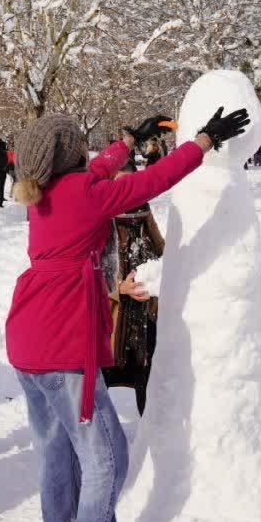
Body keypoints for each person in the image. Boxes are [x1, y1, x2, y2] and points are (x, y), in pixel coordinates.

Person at [5, 107, 249, 522]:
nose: (88, 149)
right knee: (107, 457)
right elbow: (155, 180)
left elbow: (96, 171)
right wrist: (202, 141)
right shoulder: (85, 194)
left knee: (56, 449)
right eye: (80, 142)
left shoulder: (43, 189)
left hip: (28, 337)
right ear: (70, 152)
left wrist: (128, 142)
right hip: (62, 342)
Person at [100, 155, 166, 415]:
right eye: (119, 183)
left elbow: (162, 253)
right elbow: (90, 270)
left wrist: (157, 277)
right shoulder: (101, 217)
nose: (125, 190)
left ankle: (151, 433)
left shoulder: (143, 213)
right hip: (111, 316)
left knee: (146, 379)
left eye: (130, 183)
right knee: (100, 382)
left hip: (144, 315)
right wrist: (119, 288)